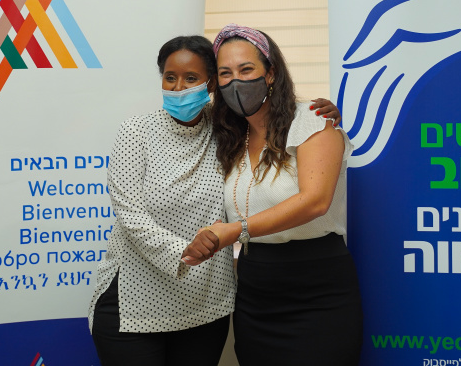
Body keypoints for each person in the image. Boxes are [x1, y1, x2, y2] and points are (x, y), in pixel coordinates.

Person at [88, 35, 341, 366]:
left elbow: (276, 114)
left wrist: (317, 111)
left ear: (210, 83)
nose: (179, 88)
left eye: (191, 78)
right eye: (170, 77)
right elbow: (129, 214)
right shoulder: (136, 131)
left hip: (207, 301)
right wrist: (186, 251)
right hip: (136, 298)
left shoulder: (227, 128)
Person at [181, 24, 364, 366]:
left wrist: (236, 230)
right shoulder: (228, 136)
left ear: (271, 73)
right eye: (225, 73)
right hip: (255, 291)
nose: (236, 81)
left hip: (318, 289)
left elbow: (315, 200)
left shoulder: (311, 120)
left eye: (246, 69)